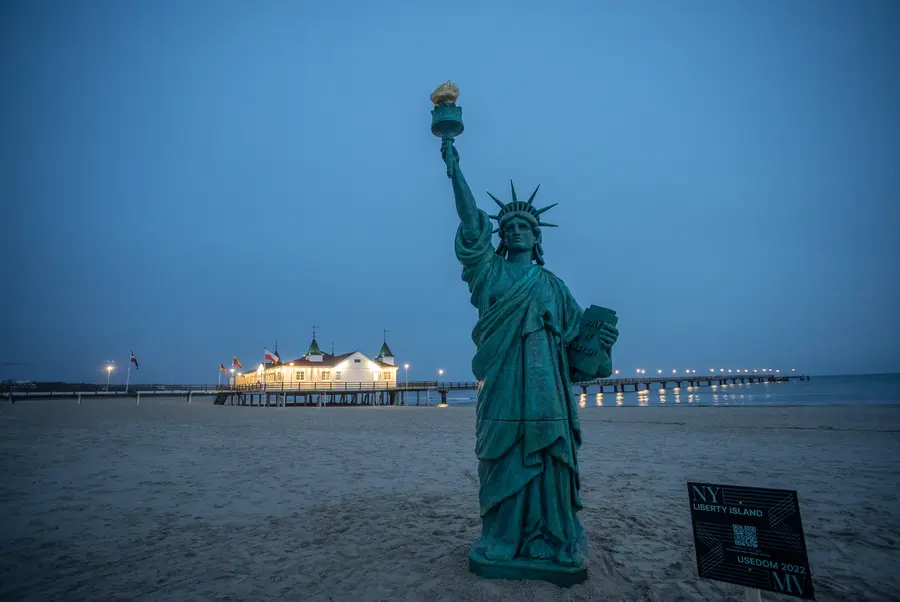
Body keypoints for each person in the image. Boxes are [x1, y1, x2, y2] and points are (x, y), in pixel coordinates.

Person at [441, 138, 619, 567]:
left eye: (525, 227)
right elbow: (470, 224)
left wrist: (602, 346)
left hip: (547, 394)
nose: (516, 231)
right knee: (501, 458)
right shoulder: (489, 272)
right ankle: (503, 536)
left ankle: (553, 537)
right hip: (503, 387)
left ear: (537, 237)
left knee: (550, 464)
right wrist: (454, 169)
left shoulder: (555, 287)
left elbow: (580, 358)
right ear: (499, 238)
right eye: (508, 228)